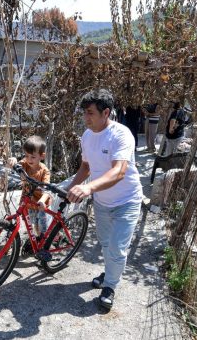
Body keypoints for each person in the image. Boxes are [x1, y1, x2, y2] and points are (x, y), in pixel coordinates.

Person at [66, 89, 143, 311]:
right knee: (106, 244)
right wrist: (70, 189)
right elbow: (86, 167)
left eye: (90, 113)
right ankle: (110, 272)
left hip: (126, 201)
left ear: (106, 112)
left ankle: (110, 285)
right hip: (101, 202)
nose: (85, 118)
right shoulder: (88, 136)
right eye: (84, 113)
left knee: (117, 248)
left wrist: (88, 187)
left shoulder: (121, 135)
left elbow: (118, 171)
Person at [9, 136, 52, 237]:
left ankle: (48, 241)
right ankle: (38, 241)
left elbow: (46, 189)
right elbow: (11, 165)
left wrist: (42, 200)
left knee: (43, 228)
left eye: (33, 157)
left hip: (41, 203)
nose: (29, 159)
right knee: (33, 225)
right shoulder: (24, 164)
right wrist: (12, 160)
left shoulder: (44, 171)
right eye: (26, 156)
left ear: (42, 156)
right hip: (28, 202)